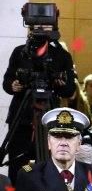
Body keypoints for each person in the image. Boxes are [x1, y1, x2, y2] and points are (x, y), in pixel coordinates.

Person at [3, 26, 77, 183]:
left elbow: (70, 91)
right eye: (37, 27)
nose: (42, 30)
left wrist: (61, 84)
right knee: (17, 165)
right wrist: (13, 85)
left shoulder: (61, 55)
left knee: (48, 164)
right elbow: (7, 81)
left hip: (48, 117)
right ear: (30, 28)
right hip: (21, 116)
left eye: (46, 26)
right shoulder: (20, 52)